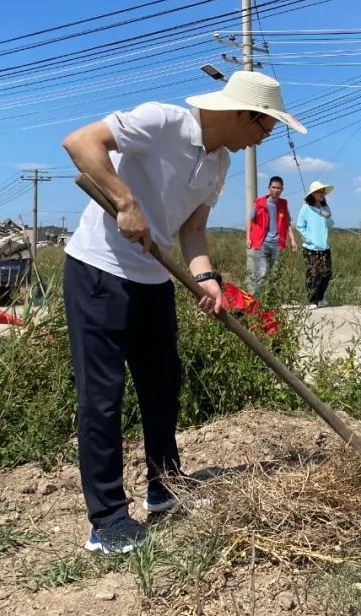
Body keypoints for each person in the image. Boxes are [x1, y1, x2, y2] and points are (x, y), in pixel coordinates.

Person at [61, 70, 305, 555]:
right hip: (99, 271)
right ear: (242, 115)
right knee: (103, 397)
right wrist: (125, 201)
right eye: (265, 128)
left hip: (154, 278)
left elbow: (192, 231)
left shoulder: (218, 164)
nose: (264, 138)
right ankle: (107, 519)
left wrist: (208, 278)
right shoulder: (162, 121)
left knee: (163, 385)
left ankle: (164, 486)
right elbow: (80, 143)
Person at [247, 175, 298, 295]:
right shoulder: (259, 202)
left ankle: (272, 302)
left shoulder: (283, 204)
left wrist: (292, 240)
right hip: (262, 242)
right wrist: (248, 238)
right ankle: (258, 302)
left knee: (275, 274)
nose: (276, 190)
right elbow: (250, 220)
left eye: (278, 188)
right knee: (263, 272)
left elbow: (287, 223)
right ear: (269, 188)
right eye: (273, 187)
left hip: (277, 243)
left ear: (282, 189)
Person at [296, 181, 334, 309]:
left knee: (327, 273)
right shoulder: (306, 208)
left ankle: (321, 297)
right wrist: (308, 239)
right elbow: (300, 226)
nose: (322, 194)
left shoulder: (326, 208)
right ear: (312, 194)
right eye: (319, 191)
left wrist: (328, 218)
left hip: (324, 246)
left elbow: (330, 224)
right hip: (310, 247)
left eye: (323, 191)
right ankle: (312, 301)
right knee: (313, 273)